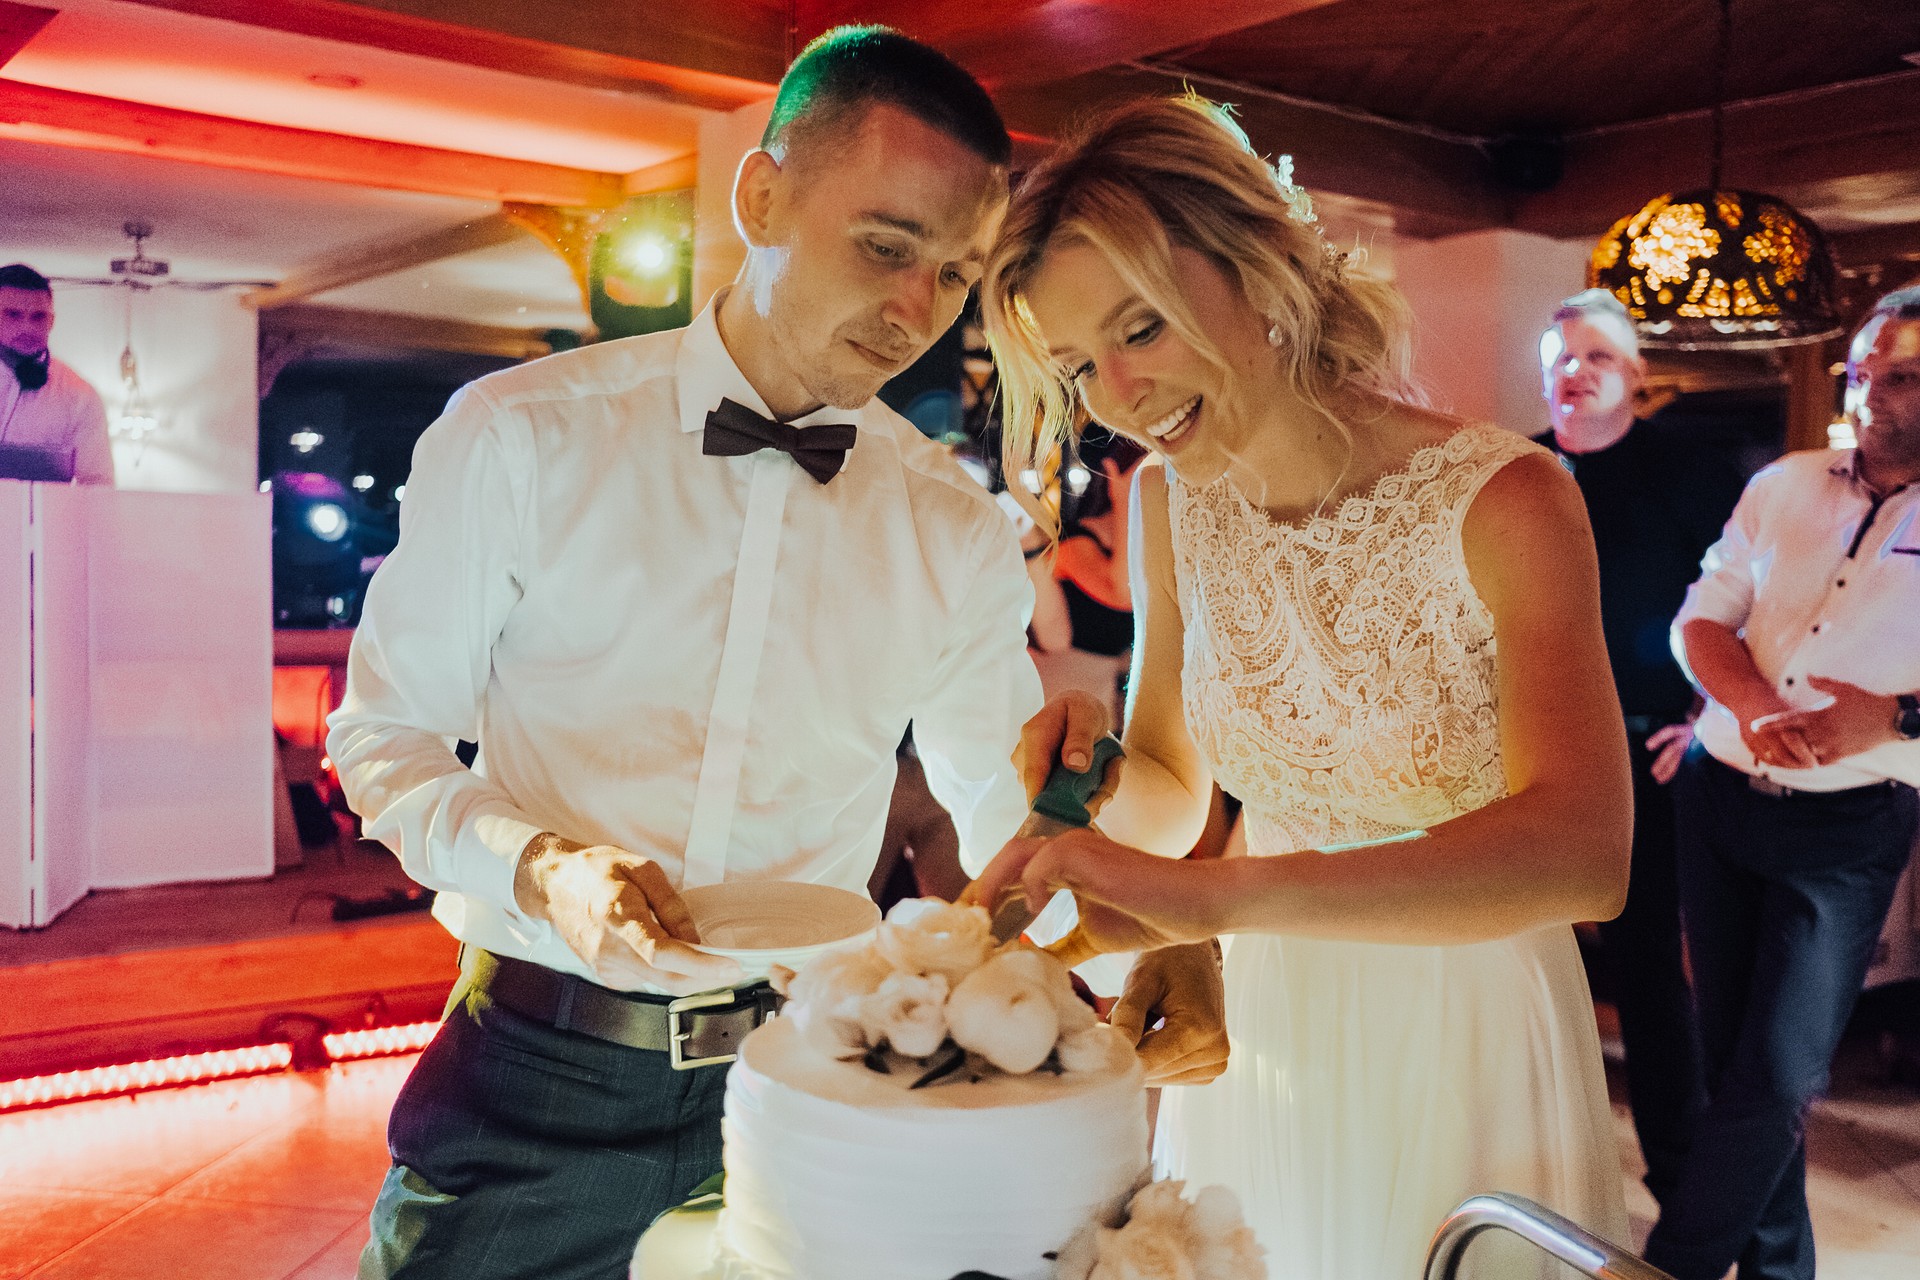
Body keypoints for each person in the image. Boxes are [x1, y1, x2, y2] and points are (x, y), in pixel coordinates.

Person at [327, 28, 1110, 1279]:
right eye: (886, 246)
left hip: (815, 1076)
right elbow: (384, 735)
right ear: (762, 199)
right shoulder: (524, 436)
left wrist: (1113, 867)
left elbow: (996, 807)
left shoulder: (957, 530)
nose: (917, 311)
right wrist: (541, 865)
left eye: (956, 275)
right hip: (539, 1065)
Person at [973, 95, 1631, 1279]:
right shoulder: (1168, 501)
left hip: (1466, 1023)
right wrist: (1098, 773)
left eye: (1141, 328)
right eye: (1078, 366)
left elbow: (1583, 853)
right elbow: (1173, 783)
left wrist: (1215, 899)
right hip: (1266, 1026)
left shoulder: (1507, 498)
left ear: (1258, 264)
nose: (1118, 394)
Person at [1642, 287, 1920, 1280]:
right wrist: (1754, 705)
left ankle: (1664, 1268)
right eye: (1861, 372)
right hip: (1717, 795)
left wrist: (1890, 718)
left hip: (1849, 829)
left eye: (1901, 375)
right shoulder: (1785, 483)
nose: (1869, 393)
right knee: (1731, 1064)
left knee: (1779, 1071)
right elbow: (1699, 620)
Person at [1532, 288, 1745, 1206]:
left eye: (1598, 358)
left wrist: (1705, 718)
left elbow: (1749, 611)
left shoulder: (1692, 473)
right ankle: (1541, 1175)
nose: (1575, 373)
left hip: (1647, 754)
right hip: (1526, 754)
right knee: (1524, 957)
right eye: (1560, 359)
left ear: (1637, 375)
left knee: (1650, 973)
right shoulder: (1516, 471)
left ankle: (1679, 1189)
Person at [0, 264, 113, 485]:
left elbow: (98, 484)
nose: (27, 327)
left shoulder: (80, 397)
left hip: (45, 509)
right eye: (13, 314)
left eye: (38, 316)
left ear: (51, 321)